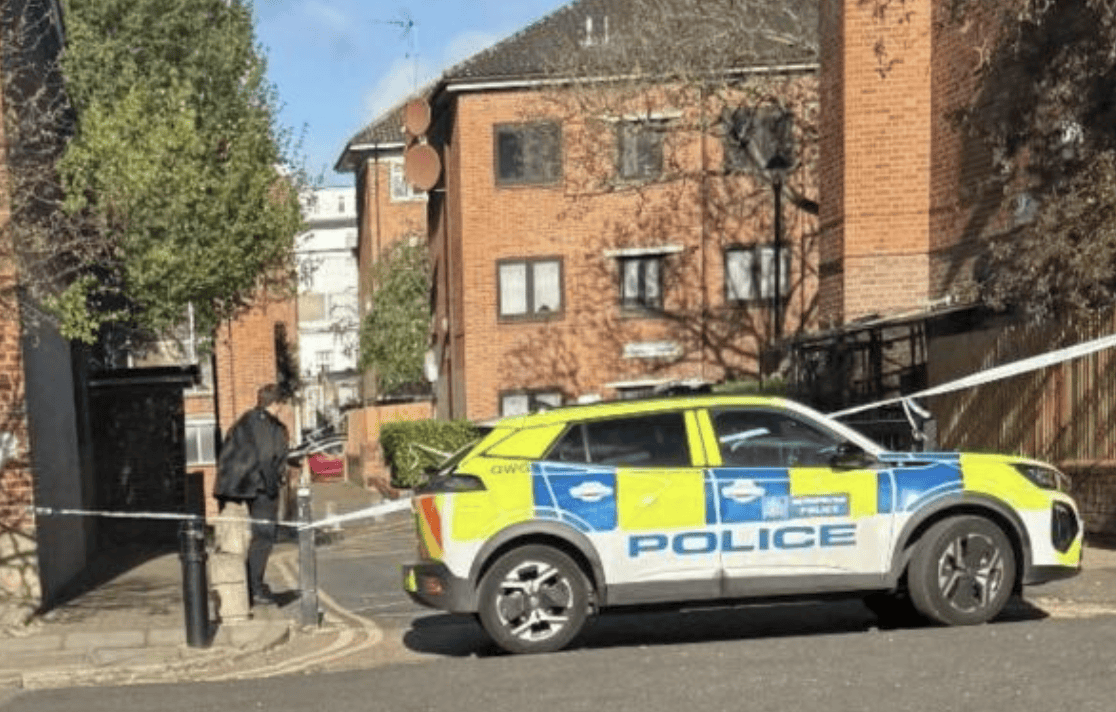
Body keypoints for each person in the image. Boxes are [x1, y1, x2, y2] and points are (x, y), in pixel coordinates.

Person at [214, 383, 290, 606]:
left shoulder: (246, 419)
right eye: (280, 404)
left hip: (239, 487)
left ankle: (251, 585)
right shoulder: (265, 424)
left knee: (252, 538)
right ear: (274, 403)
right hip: (259, 488)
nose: (281, 409)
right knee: (264, 537)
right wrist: (273, 487)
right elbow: (267, 458)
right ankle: (254, 587)